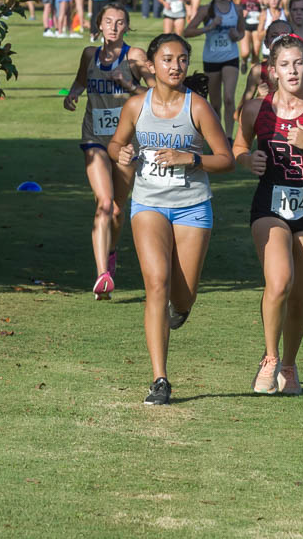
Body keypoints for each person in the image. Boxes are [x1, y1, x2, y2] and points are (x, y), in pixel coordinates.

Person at [107, 33, 234, 405]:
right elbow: (115, 144)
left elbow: (225, 159)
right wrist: (122, 152)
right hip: (148, 203)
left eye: (181, 59)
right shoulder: (136, 106)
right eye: (167, 59)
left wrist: (190, 159)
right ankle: (160, 380)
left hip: (193, 205)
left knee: (182, 294)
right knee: (156, 284)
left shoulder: (197, 108)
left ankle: (181, 308)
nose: (175, 66)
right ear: (152, 64)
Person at [233, 33, 303, 395]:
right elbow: (238, 145)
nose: (293, 70)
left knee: (299, 296)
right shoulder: (256, 109)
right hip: (269, 204)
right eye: (285, 64)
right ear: (272, 71)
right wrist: (246, 159)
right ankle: (269, 359)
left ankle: (289, 365)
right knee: (279, 282)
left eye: (299, 62)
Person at [63, 4, 153, 298]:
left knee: (116, 209)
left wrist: (128, 84)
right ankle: (102, 275)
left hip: (126, 142)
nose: (113, 27)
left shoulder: (135, 56)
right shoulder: (90, 55)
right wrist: (74, 93)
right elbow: (81, 80)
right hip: (95, 139)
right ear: (99, 25)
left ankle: (111, 255)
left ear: (127, 27)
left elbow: (157, 94)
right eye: (108, 21)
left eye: (120, 22)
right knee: (103, 204)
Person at [183, 0, 245, 139]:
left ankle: (229, 137)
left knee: (229, 98)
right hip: (211, 59)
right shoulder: (206, 10)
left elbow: (241, 32)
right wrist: (208, 28)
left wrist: (236, 36)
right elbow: (187, 31)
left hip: (231, 57)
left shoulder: (237, 9)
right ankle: (218, 138)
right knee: (215, 104)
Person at [237, 0, 265, 72]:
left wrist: (263, 4)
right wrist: (241, 12)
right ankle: (244, 61)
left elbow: (266, 8)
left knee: (256, 52)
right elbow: (234, 7)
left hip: (258, 24)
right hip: (245, 24)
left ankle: (254, 76)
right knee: (245, 52)